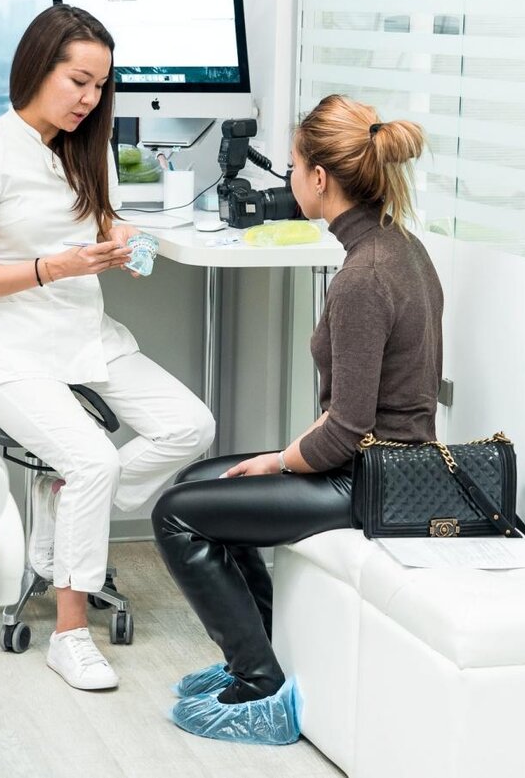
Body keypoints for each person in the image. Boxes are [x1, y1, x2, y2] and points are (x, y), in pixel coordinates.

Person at [151, 94, 438, 744]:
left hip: (371, 480)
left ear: (320, 178)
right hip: (379, 465)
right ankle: (268, 653)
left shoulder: (364, 276)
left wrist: (280, 460)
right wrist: (280, 460)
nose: (286, 177)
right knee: (201, 481)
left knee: (176, 514)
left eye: (292, 165)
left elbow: (348, 428)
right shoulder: (399, 246)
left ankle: (257, 682)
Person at [0, 4, 214, 693]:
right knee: (95, 459)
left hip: (85, 333)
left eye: (100, 86)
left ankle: (66, 504)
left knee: (190, 425)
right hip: (9, 350)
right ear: (39, 69)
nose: (90, 99)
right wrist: (51, 267)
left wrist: (124, 243)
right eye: (79, 81)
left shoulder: (85, 149)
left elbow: (104, 225)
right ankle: (69, 635)